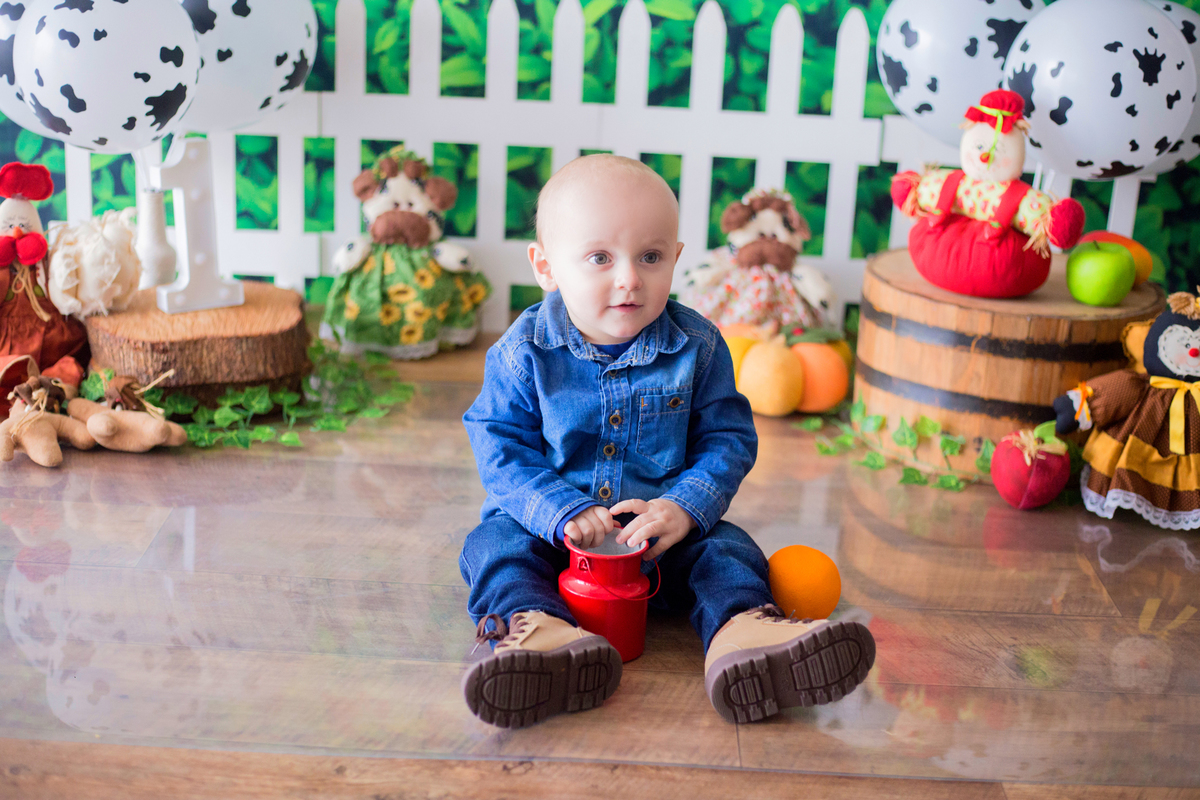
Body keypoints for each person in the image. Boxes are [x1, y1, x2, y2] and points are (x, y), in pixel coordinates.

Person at [459, 155, 875, 728]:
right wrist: (558, 510)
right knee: (492, 546)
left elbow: (727, 438)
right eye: (600, 258)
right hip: (554, 540)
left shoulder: (697, 346)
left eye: (650, 257)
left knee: (728, 551)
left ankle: (743, 633)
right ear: (547, 266)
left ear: (675, 259)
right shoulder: (522, 351)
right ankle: (536, 631)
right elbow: (499, 442)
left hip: (659, 545)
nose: (629, 277)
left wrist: (683, 508)